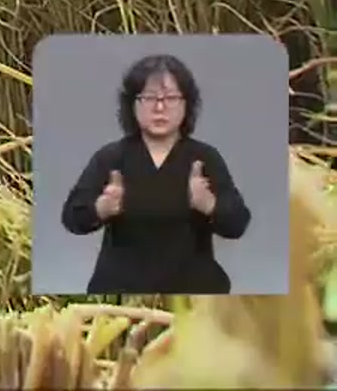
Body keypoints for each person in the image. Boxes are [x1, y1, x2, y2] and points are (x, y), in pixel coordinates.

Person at [59, 52, 251, 294]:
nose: (160, 108)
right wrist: (101, 208)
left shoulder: (205, 158)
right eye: (149, 98)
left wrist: (210, 204)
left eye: (170, 98)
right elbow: (71, 217)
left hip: (194, 292)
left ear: (186, 104)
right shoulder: (111, 158)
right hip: (121, 291)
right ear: (132, 104)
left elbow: (238, 223)